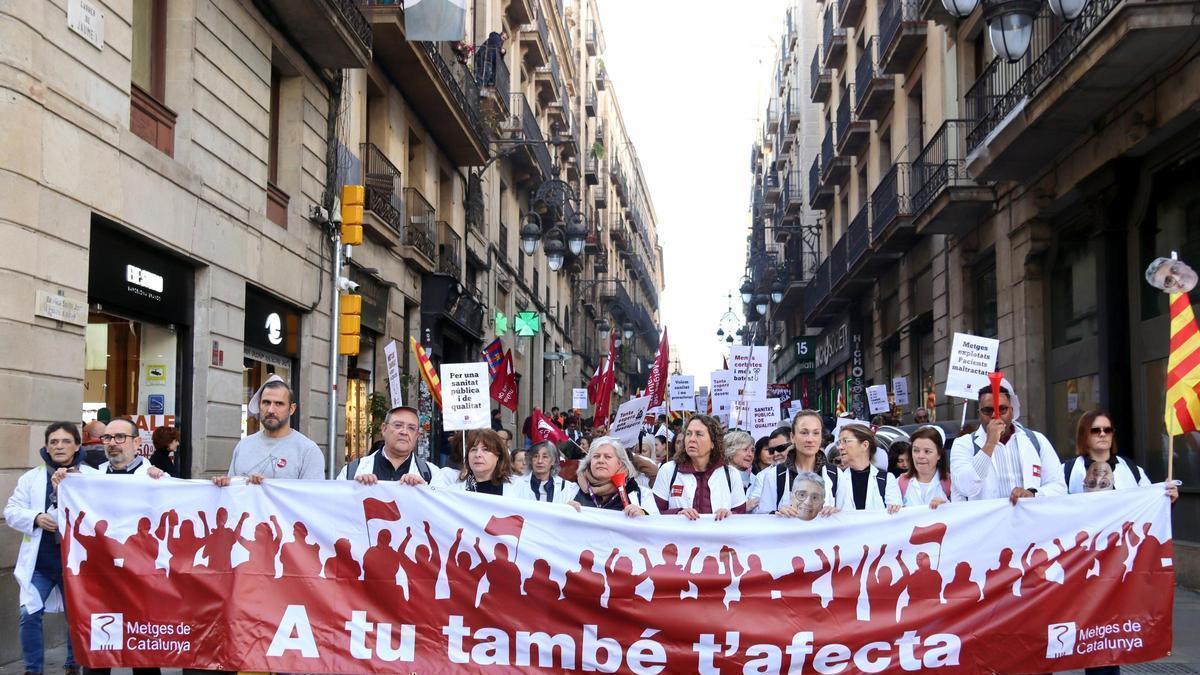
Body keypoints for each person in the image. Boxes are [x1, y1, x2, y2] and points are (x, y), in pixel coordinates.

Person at [5, 422, 87, 675]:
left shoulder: (91, 477)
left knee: (77, 618)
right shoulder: (31, 478)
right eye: (53, 442)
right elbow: (11, 511)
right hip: (40, 564)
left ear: (77, 445)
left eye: (65, 441)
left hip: (75, 564)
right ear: (46, 446)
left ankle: (73, 664)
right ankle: (33, 669)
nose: (59, 446)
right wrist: (36, 517)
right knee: (28, 615)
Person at [950, 380, 1066, 504]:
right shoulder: (963, 444)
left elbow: (1059, 487)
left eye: (1002, 409)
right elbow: (965, 488)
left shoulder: (1036, 440)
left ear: (1012, 410)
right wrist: (990, 444)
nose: (996, 416)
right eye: (988, 411)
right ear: (979, 414)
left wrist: (1033, 494)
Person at [214, 375, 323, 485]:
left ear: (291, 409)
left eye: (279, 404)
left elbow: (312, 499)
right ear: (259, 405)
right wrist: (223, 485)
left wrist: (265, 489)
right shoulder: (243, 446)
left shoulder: (308, 451)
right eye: (266, 402)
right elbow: (232, 493)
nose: (271, 410)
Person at [1064, 410, 1177, 502]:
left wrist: (1166, 499)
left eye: (1108, 430)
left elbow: (1148, 508)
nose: (1102, 434)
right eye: (1095, 430)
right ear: (1083, 435)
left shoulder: (1132, 469)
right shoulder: (1066, 471)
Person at [651, 414, 747, 519]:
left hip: (718, 535)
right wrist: (678, 514)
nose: (691, 439)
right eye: (688, 434)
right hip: (679, 535)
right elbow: (654, 513)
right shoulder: (668, 470)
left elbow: (741, 516)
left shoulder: (731, 474)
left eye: (699, 434)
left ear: (713, 443)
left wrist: (730, 515)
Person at [751, 411, 834, 514]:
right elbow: (763, 518)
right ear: (792, 437)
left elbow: (850, 517)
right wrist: (777, 513)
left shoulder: (835, 475)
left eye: (816, 433)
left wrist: (835, 513)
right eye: (804, 433)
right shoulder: (774, 476)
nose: (810, 439)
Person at [337, 405, 437, 485]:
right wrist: (355, 490)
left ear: (417, 435)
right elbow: (337, 506)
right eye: (398, 425)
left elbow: (440, 508)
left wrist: (424, 492)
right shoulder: (352, 472)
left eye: (411, 428)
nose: (404, 432)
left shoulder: (432, 475)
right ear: (384, 429)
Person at [435, 429, 533, 498]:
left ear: (498, 455)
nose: (478, 455)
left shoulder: (519, 489)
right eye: (473, 449)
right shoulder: (453, 491)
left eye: (485, 450)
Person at [571, 436, 656, 516]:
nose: (600, 460)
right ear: (589, 462)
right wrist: (566, 510)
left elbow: (657, 526)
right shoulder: (571, 490)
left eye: (607, 457)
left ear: (620, 463)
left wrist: (643, 515)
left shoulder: (641, 493)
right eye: (596, 456)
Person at [831, 424, 901, 513]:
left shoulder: (886, 479)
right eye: (839, 442)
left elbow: (895, 514)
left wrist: (894, 508)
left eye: (845, 441)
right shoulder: (835, 480)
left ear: (864, 445)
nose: (840, 447)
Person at [91, 418, 167, 478]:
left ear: (136, 443)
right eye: (107, 437)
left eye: (120, 437)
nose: (112, 443)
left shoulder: (157, 479)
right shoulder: (93, 475)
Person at [900, 426, 952, 508]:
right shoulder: (899, 483)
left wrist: (947, 506)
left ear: (939, 455)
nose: (920, 456)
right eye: (916, 450)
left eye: (927, 451)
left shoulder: (951, 483)